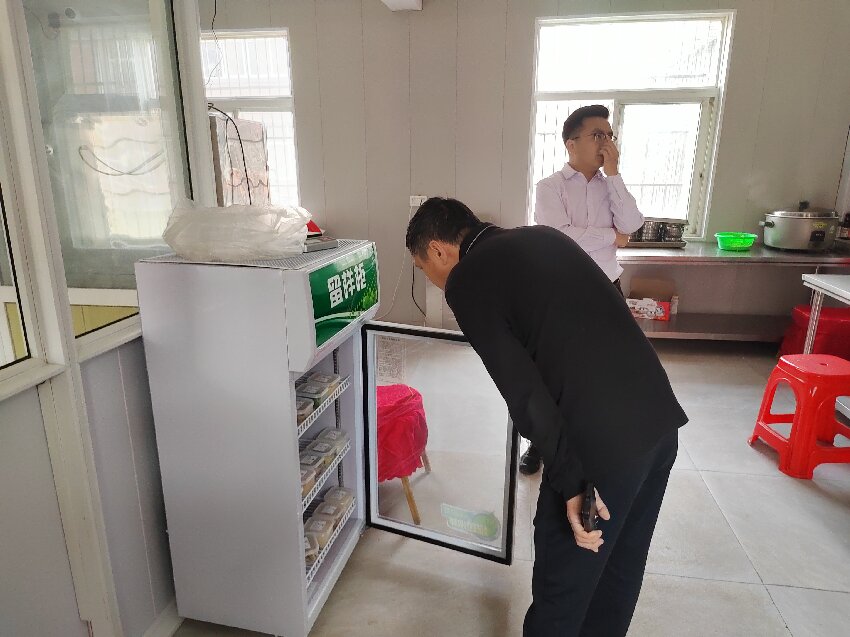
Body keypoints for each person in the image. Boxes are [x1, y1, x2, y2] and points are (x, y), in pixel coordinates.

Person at [405, 197, 686, 637]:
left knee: (563, 592)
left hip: (601, 449)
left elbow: (524, 391)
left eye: (424, 268)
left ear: (439, 250)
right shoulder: (544, 237)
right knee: (619, 571)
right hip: (657, 420)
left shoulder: (467, 279)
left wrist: (572, 483)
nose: (432, 279)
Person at [520, 104, 645, 476]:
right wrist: (611, 237)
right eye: (598, 135)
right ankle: (541, 442)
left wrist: (615, 174)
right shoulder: (549, 187)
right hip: (562, 290)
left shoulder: (611, 186)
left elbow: (632, 224)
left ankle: (589, 440)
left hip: (607, 286)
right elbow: (560, 236)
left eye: (610, 136)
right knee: (552, 370)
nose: (606, 143)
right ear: (571, 144)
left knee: (603, 370)